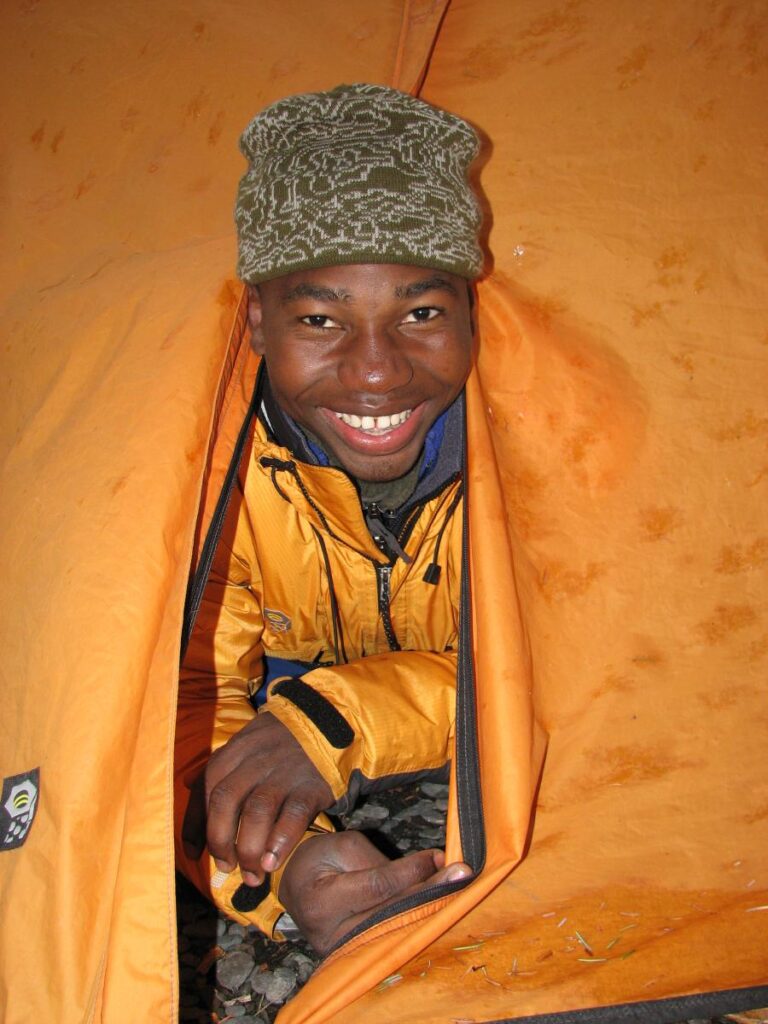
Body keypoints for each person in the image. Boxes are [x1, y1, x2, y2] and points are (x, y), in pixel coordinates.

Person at [176, 83, 482, 956]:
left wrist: (329, 723)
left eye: (420, 314)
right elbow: (183, 709)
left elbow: (586, 670)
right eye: (320, 319)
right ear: (258, 324)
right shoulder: (207, 477)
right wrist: (282, 871)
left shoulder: (547, 458)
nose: (377, 374)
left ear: (471, 313)